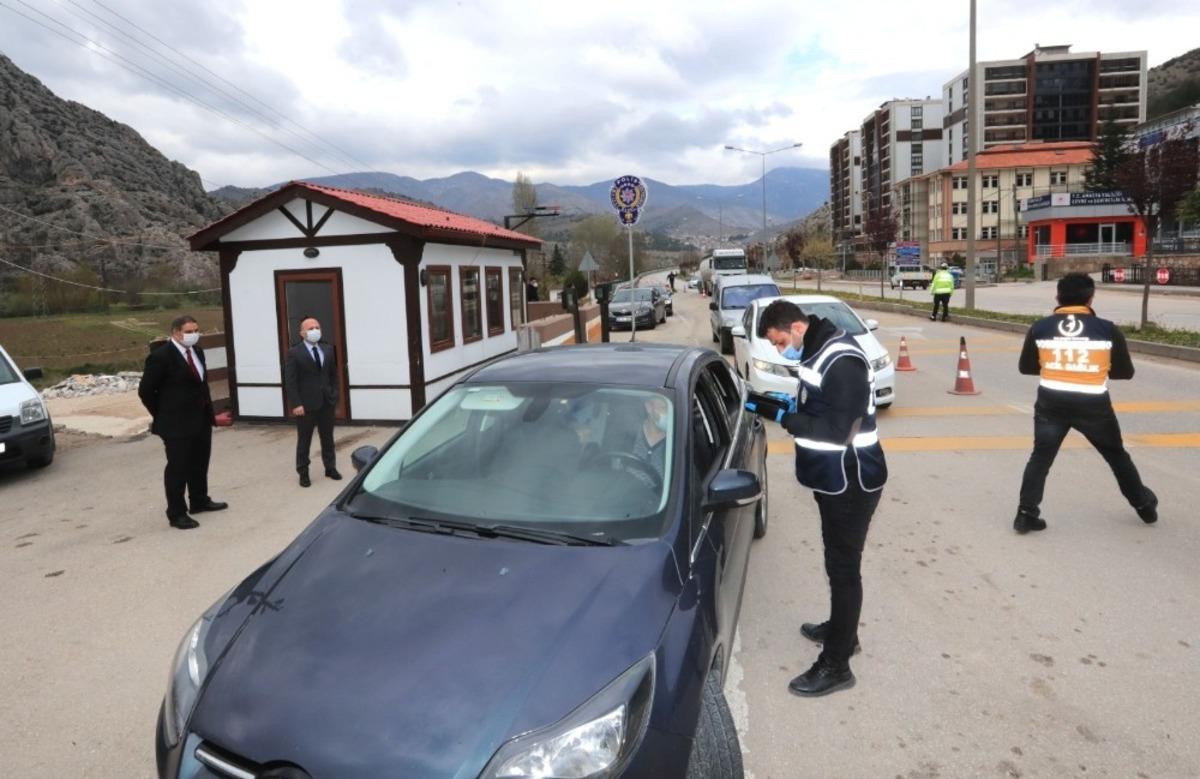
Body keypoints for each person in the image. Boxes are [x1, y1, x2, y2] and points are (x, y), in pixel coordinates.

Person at [754, 299, 887, 697]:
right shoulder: (816, 349)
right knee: (836, 565)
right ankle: (841, 631)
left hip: (852, 480)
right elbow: (820, 405)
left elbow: (834, 430)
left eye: (780, 342)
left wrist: (782, 418)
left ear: (797, 327)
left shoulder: (841, 360)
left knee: (844, 569)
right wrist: (782, 405)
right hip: (833, 479)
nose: (781, 351)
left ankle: (837, 664)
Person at [1014, 273, 1157, 533]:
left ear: (1058, 297)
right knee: (1116, 456)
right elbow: (1125, 372)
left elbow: (1026, 367)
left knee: (1041, 458)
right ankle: (1144, 506)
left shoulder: (1040, 327)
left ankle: (1025, 514)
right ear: (1090, 298)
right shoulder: (1107, 329)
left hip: (1051, 403)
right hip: (1094, 406)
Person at [138, 315, 227, 530]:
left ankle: (199, 500)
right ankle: (176, 512)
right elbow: (146, 391)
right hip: (175, 424)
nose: (193, 334)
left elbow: (202, 385)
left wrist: (211, 414)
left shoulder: (197, 351)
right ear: (176, 332)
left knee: (199, 462)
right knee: (178, 468)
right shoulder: (161, 357)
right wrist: (162, 414)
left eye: (196, 330)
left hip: (200, 419)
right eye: (189, 331)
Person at [284, 316, 342, 488]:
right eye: (310, 328)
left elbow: (333, 374)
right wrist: (296, 404)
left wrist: (334, 393)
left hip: (326, 402)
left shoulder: (328, 349)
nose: (315, 330)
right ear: (302, 333)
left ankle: (330, 468)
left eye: (317, 327)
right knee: (304, 440)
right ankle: (303, 472)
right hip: (306, 404)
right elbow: (291, 381)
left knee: (328, 437)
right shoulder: (294, 353)